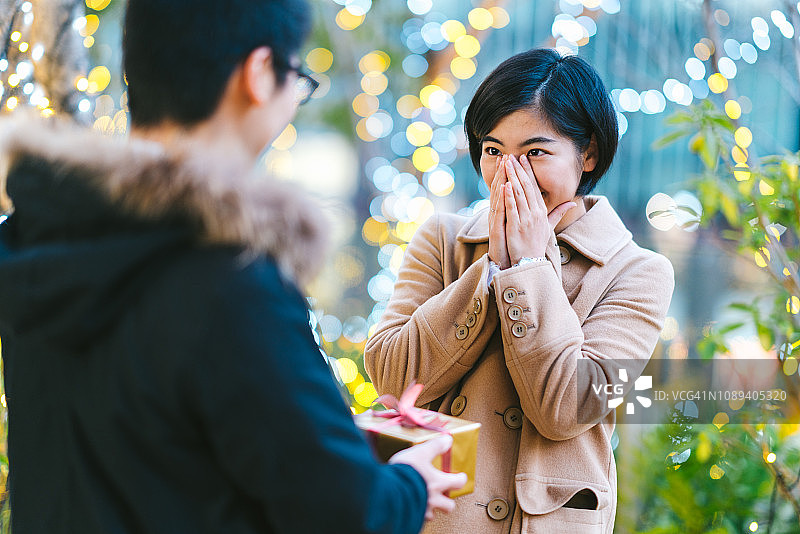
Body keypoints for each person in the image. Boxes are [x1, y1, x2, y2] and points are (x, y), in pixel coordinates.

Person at [0, 1, 465, 533]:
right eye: (298, 76)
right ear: (260, 73)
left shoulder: (39, 234)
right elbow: (341, 510)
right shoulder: (232, 281)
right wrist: (407, 487)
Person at [365, 48, 675, 534]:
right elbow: (390, 375)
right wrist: (491, 268)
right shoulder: (443, 239)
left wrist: (529, 268)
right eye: (493, 151)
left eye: (535, 153)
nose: (511, 175)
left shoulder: (639, 272)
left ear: (587, 152)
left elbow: (571, 408)